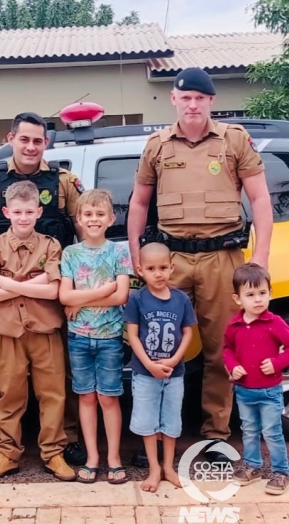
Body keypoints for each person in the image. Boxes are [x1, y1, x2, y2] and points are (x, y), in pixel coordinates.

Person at [127, 67, 273, 464]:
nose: (192, 104)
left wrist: (259, 257)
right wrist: (135, 254)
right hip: (168, 261)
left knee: (220, 350)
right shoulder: (157, 145)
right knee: (161, 348)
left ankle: (215, 438)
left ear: (211, 101)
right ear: (174, 99)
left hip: (221, 258)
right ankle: (157, 440)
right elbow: (139, 203)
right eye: (185, 97)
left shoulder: (234, 142)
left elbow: (260, 199)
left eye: (200, 98)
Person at [0, 112, 86, 469]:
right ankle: (3, 447)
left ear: (46, 143)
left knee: (59, 378)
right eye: (24, 139)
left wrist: (76, 285)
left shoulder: (63, 181)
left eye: (38, 140)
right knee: (8, 383)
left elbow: (84, 228)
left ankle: (65, 443)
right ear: (11, 138)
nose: (31, 146)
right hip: (9, 297)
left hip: (52, 291)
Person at [0, 180, 75, 482]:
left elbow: (53, 291)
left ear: (38, 211)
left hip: (45, 330)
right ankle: (6, 453)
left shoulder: (51, 245)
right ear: (7, 211)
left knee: (53, 392)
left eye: (29, 212)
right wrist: (35, 284)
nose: (23, 217)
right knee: (8, 394)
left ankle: (54, 452)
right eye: (17, 212)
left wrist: (8, 283)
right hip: (7, 331)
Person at [59, 189, 131, 484]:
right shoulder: (70, 253)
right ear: (78, 219)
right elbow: (64, 295)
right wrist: (103, 291)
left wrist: (81, 300)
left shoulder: (119, 252)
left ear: (111, 218)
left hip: (110, 337)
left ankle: (114, 457)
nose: (94, 219)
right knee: (86, 397)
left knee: (108, 398)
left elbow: (122, 295)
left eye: (100, 214)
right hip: (78, 338)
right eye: (88, 214)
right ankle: (92, 457)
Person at [124, 243, 197, 493]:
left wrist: (175, 359)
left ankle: (168, 467)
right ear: (140, 270)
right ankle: (153, 468)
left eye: (163, 268)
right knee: (147, 421)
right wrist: (149, 364)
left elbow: (187, 332)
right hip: (145, 374)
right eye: (151, 268)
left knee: (171, 421)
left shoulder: (181, 299)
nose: (158, 273)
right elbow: (132, 335)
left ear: (172, 268)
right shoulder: (137, 299)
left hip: (174, 373)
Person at [223, 263, 289, 495]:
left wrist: (278, 363)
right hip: (244, 390)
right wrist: (233, 367)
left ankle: (281, 472)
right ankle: (253, 466)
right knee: (249, 430)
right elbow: (227, 350)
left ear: (270, 293)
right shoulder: (234, 325)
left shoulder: (276, 323)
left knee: (272, 432)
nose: (258, 299)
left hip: (270, 391)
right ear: (238, 298)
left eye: (263, 293)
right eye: (250, 295)